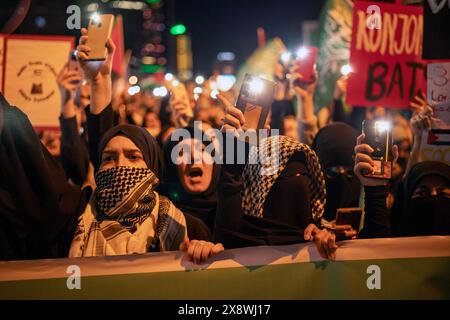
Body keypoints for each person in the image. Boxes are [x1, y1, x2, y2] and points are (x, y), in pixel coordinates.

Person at [214, 94, 338, 260]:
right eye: (281, 179)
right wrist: (232, 164)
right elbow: (228, 235)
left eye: (303, 176)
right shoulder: (234, 235)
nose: (298, 186)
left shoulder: (325, 240)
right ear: (257, 186)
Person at [162, 125, 219, 232]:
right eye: (181, 152)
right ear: (171, 168)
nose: (193, 157)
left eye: (202, 149)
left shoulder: (233, 206)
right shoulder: (162, 218)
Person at [312, 122, 361, 222]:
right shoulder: (307, 202)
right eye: (332, 172)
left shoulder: (366, 198)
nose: (341, 179)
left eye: (349, 172)